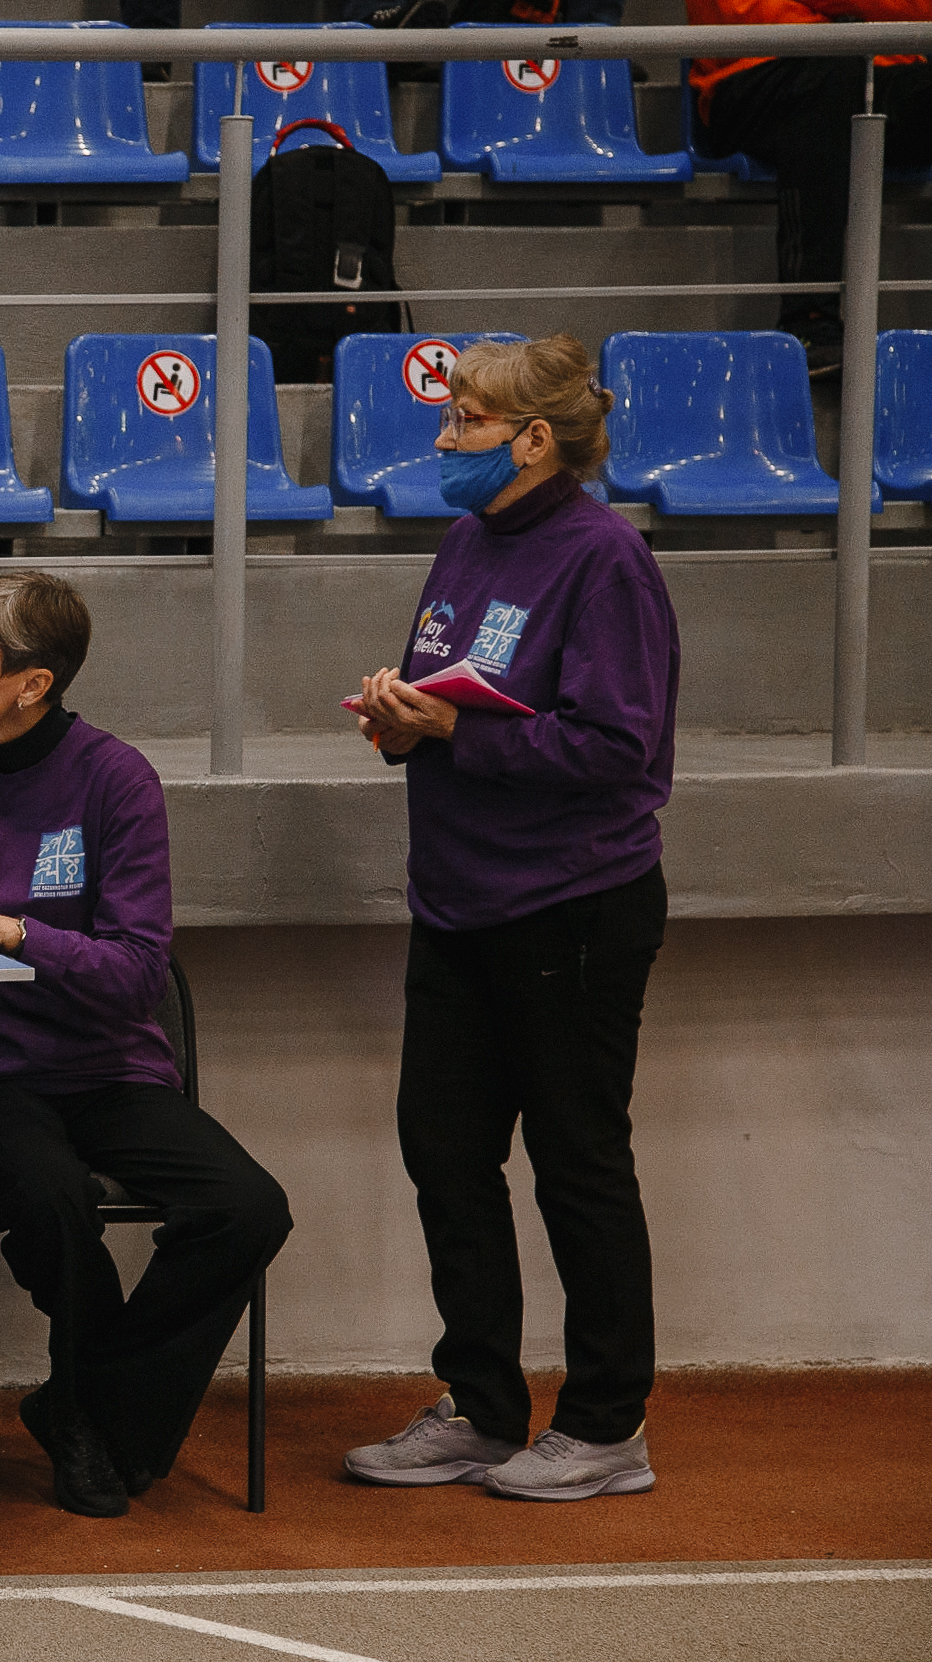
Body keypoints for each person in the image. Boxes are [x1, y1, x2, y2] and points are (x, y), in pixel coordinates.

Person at [0, 573, 291, 1519]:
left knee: (248, 1207)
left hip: (104, 1063)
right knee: (51, 1201)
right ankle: (97, 1417)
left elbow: (136, 972)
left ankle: (83, 1405)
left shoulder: (115, 780)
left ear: (32, 685)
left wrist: (16, 932)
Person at [343, 334, 680, 1502]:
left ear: (533, 440)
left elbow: (615, 747)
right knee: (443, 1151)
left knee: (576, 1164)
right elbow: (445, 692)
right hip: (456, 899)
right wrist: (397, 718)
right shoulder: (465, 538)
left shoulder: (603, 560)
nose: (443, 439)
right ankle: (481, 1407)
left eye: (464, 421)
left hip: (569, 905)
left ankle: (604, 1424)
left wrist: (452, 731)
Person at [690, 0, 932, 376]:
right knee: (829, 73)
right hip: (754, 68)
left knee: (839, 68)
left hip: (875, 60)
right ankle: (809, 320)